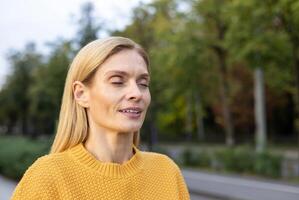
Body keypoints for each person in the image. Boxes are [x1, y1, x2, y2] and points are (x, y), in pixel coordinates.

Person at [11, 36, 190, 200]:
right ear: (81, 94)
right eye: (117, 81)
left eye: (143, 83)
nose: (137, 93)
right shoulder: (47, 178)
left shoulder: (166, 172)